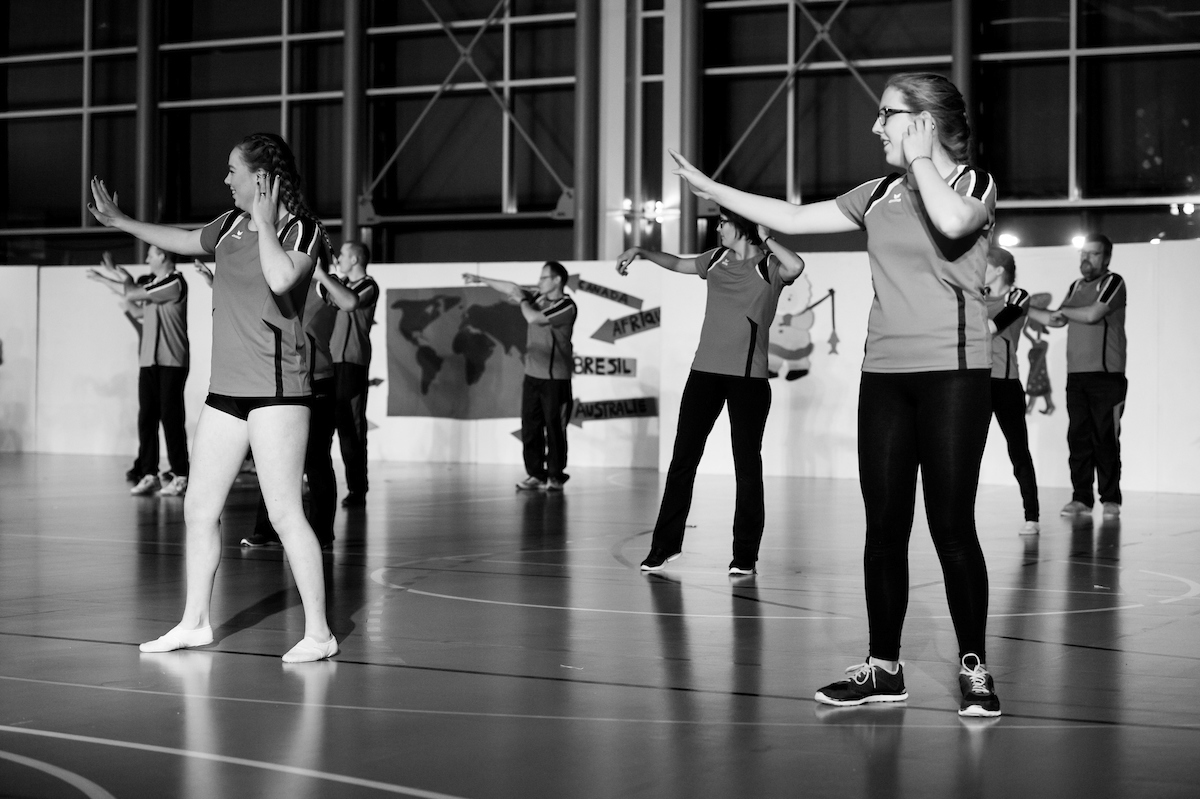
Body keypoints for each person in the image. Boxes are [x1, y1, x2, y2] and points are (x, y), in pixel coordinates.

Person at [670, 72, 1002, 717]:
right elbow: (793, 217)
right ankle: (884, 668)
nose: (876, 127)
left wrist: (922, 158)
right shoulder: (876, 194)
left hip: (954, 375)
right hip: (885, 377)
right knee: (884, 527)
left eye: (888, 115)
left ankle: (974, 668)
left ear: (923, 122)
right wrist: (713, 189)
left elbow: (952, 221)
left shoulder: (973, 185)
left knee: (951, 527)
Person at [87, 132, 337, 663]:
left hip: (277, 393)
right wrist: (123, 221)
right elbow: (182, 240)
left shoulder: (302, 230)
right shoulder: (227, 226)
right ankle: (195, 622)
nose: (225, 180)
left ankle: (319, 633)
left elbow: (280, 279)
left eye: (232, 171)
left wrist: (266, 222)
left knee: (286, 514)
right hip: (225, 392)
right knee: (199, 509)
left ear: (261, 178)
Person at [616, 212, 803, 575]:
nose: (717, 228)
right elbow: (677, 263)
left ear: (742, 227)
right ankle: (664, 547)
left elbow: (796, 266)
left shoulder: (768, 266)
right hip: (703, 374)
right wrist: (641, 250)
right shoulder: (715, 259)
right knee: (682, 461)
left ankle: (745, 556)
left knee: (747, 468)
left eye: (722, 222)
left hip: (748, 379)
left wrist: (766, 237)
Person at [1034, 233, 1127, 520]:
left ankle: (1110, 499)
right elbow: (1056, 319)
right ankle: (1081, 499)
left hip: (1106, 376)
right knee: (1078, 439)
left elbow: (1091, 314)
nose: (1086, 258)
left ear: (1106, 258)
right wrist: (1022, 308)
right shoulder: (1075, 286)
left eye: (1093, 253)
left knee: (1105, 439)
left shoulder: (1112, 282)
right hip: (1076, 377)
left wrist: (1062, 311)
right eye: (1083, 253)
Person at [465, 262, 577, 491]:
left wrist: (523, 301)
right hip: (533, 374)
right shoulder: (538, 296)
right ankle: (536, 474)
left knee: (554, 428)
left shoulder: (566, 306)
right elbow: (512, 288)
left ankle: (555, 476)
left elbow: (534, 318)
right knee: (530, 426)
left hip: (555, 378)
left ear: (557, 280)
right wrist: (480, 279)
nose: (539, 282)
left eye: (544, 278)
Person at [89, 248, 191, 496]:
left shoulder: (174, 282)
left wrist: (121, 276)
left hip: (172, 361)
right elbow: (134, 302)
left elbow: (132, 292)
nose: (146, 259)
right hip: (149, 361)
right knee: (147, 418)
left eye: (151, 254)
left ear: (163, 257)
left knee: (171, 418)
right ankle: (149, 474)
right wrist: (107, 278)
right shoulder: (154, 286)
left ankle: (181, 475)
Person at [983, 246, 1040, 534]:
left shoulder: (1017, 296)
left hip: (1005, 382)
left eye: (984, 264)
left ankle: (1032, 516)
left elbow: (993, 326)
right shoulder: (975, 295)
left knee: (1018, 450)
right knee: (966, 452)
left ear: (998, 270)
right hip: (976, 382)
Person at [327, 241, 379, 508]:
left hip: (352, 363)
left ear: (356, 259)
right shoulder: (341, 283)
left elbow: (350, 301)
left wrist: (325, 277)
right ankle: (318, 484)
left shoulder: (368, 285)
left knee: (351, 428)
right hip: (329, 361)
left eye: (343, 254)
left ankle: (357, 487)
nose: (339, 258)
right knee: (324, 426)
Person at [1023, 294, 1056, 415]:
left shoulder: (1042, 344)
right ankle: (1042, 406)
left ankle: (1033, 407)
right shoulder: (1036, 342)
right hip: (1035, 365)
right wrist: (1030, 316)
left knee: (1037, 384)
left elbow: (1033, 331)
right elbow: (1026, 331)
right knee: (1038, 385)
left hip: (1038, 366)